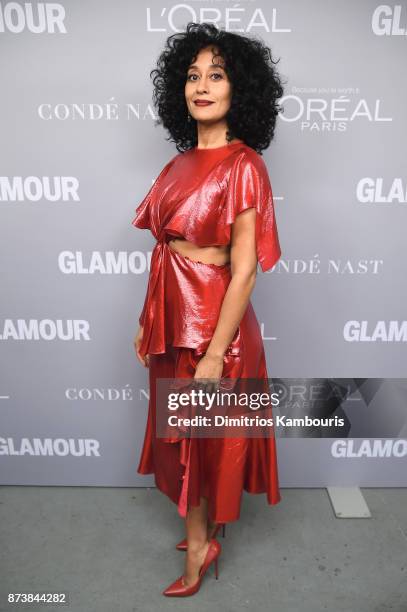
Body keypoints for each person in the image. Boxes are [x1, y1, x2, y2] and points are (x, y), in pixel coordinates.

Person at [132, 22, 285, 597]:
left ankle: (200, 547)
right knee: (184, 436)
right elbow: (164, 252)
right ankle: (202, 527)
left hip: (212, 327)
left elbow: (243, 269)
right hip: (173, 317)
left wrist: (217, 352)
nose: (202, 86)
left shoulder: (244, 164)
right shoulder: (177, 164)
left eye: (216, 76)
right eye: (192, 76)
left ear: (238, 91)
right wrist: (148, 322)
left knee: (197, 438)